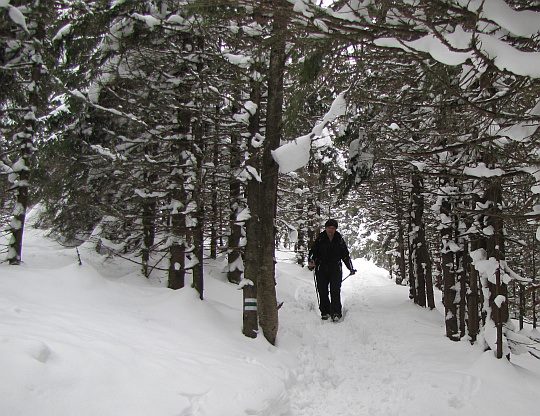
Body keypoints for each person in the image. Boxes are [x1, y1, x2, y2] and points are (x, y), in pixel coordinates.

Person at [308, 219, 356, 322]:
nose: (331, 230)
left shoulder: (339, 239)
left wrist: (350, 268)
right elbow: (313, 251)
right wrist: (311, 260)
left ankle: (336, 312)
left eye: (333, 228)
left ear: (335, 229)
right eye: (329, 228)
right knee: (322, 290)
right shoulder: (320, 238)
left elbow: (345, 255)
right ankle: (325, 312)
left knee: (335, 290)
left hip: (335, 268)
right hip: (321, 268)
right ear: (326, 228)